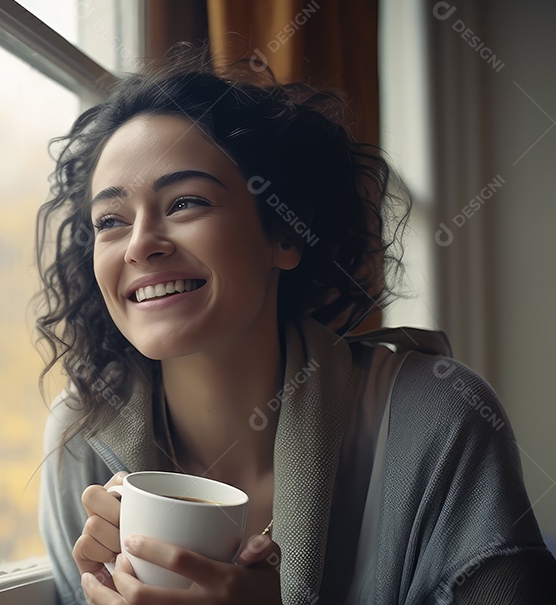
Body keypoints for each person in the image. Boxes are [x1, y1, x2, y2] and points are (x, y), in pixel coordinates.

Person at [34, 47, 556, 605]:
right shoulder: (81, 437)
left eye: (185, 202)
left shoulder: (443, 419)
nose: (140, 244)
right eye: (111, 221)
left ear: (284, 235)